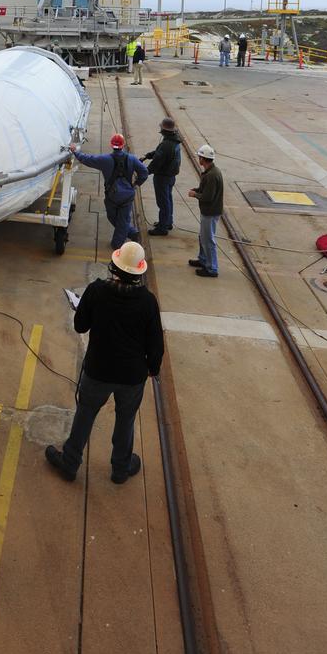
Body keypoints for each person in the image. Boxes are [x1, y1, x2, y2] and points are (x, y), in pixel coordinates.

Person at [45, 240, 163, 484]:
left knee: (85, 414)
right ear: (140, 270)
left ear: (114, 265)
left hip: (98, 370)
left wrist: (83, 308)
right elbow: (155, 343)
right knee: (126, 419)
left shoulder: (97, 291)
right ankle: (120, 468)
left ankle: (70, 463)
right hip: (132, 376)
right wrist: (153, 368)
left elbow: (81, 325)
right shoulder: (148, 302)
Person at [69, 133, 148, 249]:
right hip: (128, 195)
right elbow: (144, 172)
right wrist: (136, 184)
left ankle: (117, 244)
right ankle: (131, 232)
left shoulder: (105, 160)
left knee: (113, 217)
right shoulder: (132, 159)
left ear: (111, 145)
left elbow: (87, 159)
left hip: (113, 195)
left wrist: (75, 151)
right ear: (123, 145)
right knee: (123, 219)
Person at [187, 143, 223, 277]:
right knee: (203, 237)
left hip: (210, 212)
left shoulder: (212, 175)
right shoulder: (210, 172)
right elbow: (206, 190)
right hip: (208, 211)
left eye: (199, 157)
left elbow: (208, 197)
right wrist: (197, 190)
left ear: (203, 159)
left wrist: (195, 194)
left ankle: (212, 268)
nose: (198, 159)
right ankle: (203, 259)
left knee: (208, 240)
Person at [143, 117, 181, 236]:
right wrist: (148, 155)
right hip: (170, 176)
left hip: (162, 177)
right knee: (168, 200)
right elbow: (159, 153)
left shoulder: (166, 145)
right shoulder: (173, 141)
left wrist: (145, 172)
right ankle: (167, 222)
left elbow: (157, 162)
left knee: (163, 202)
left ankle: (162, 228)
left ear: (164, 130)